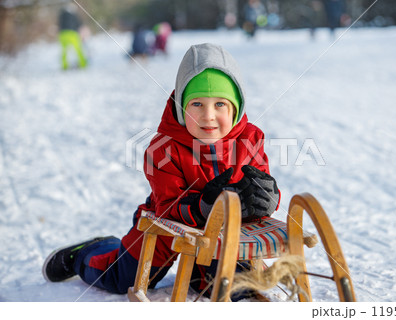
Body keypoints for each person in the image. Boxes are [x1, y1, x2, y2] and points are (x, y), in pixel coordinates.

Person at [42, 43, 280, 299]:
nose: (208, 116)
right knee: (121, 279)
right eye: (196, 104)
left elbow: (259, 179)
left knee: (230, 286)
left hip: (222, 236)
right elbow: (168, 204)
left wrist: (267, 197)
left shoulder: (250, 139)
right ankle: (87, 252)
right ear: (181, 107)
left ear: (236, 108)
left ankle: (199, 272)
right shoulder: (164, 148)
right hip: (166, 226)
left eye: (220, 104)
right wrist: (203, 206)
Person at [58, 4, 88, 70]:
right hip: (72, 34)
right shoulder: (74, 15)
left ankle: (64, 66)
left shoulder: (61, 15)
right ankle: (83, 64)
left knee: (64, 51)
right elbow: (79, 24)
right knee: (78, 49)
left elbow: (59, 24)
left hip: (63, 34)